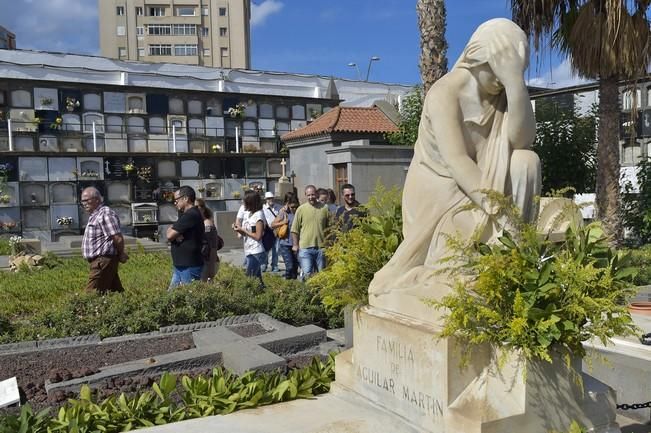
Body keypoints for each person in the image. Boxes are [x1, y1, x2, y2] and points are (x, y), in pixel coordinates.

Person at [369, 19, 541, 314]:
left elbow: (522, 140)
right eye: (499, 70)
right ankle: (464, 267)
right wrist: (501, 210)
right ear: (478, 57)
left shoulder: (502, 95)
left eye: (511, 72)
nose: (501, 80)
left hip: (481, 184)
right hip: (439, 190)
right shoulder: (444, 93)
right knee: (451, 270)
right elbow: (458, 162)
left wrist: (515, 84)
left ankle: (508, 260)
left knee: (527, 161)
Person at [80, 186, 129, 294]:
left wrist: (121, 253)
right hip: (101, 262)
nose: (84, 203)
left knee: (90, 295)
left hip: (103, 261)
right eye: (82, 201)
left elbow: (117, 238)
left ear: (97, 199)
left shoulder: (105, 214)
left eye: (87, 200)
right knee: (115, 293)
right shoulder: (95, 215)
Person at [167, 186, 205, 289]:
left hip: (189, 265)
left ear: (185, 198)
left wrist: (174, 232)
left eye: (176, 200)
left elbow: (169, 235)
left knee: (190, 297)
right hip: (181, 265)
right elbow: (171, 231)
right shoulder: (186, 215)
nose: (175, 203)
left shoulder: (191, 214)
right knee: (172, 298)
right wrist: (175, 231)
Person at [291, 185, 329, 278]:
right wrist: (295, 245)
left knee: (321, 274)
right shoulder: (301, 209)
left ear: (316, 194)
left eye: (312, 194)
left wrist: (329, 243)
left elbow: (329, 228)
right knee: (307, 273)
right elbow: (294, 229)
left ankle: (319, 292)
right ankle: (306, 292)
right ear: (305, 195)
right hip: (305, 248)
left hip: (321, 247)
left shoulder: (324, 208)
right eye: (308, 195)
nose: (311, 197)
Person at [233, 190, 266, 287]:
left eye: (245, 201)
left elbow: (258, 236)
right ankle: (264, 294)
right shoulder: (249, 213)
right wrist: (238, 230)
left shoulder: (259, 215)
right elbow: (247, 233)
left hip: (256, 251)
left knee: (249, 277)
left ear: (250, 202)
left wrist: (244, 230)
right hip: (248, 250)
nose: (243, 203)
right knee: (257, 278)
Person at [271, 192, 300, 279]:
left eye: (295, 207)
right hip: (285, 243)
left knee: (295, 267)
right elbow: (272, 225)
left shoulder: (300, 212)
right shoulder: (283, 212)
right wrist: (283, 222)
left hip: (297, 243)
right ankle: (287, 283)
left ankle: (293, 286)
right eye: (292, 207)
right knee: (289, 266)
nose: (294, 209)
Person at [195, 198, 219, 281]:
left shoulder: (207, 224)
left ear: (203, 209)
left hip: (208, 262)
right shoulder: (198, 222)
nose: (194, 210)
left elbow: (213, 246)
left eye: (197, 207)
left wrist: (211, 267)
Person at [262, 191, 281, 272]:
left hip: (277, 231)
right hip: (267, 231)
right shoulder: (262, 208)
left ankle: (274, 265)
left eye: (272, 198)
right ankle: (264, 264)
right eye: (269, 198)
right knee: (266, 249)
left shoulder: (279, 207)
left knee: (276, 249)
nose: (271, 200)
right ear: (266, 199)